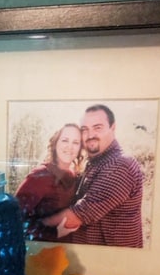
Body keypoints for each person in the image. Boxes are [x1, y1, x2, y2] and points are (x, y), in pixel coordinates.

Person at [43, 104, 144, 248]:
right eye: (85, 129)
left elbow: (75, 217)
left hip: (113, 263)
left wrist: (31, 227)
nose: (90, 136)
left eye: (98, 128)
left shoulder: (120, 165)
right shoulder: (95, 163)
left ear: (113, 128)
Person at [14, 123, 85, 241]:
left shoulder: (75, 176)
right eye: (65, 140)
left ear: (80, 149)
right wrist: (54, 233)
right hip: (41, 251)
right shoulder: (39, 176)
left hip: (67, 251)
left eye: (75, 142)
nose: (70, 146)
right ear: (55, 143)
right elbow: (14, 217)